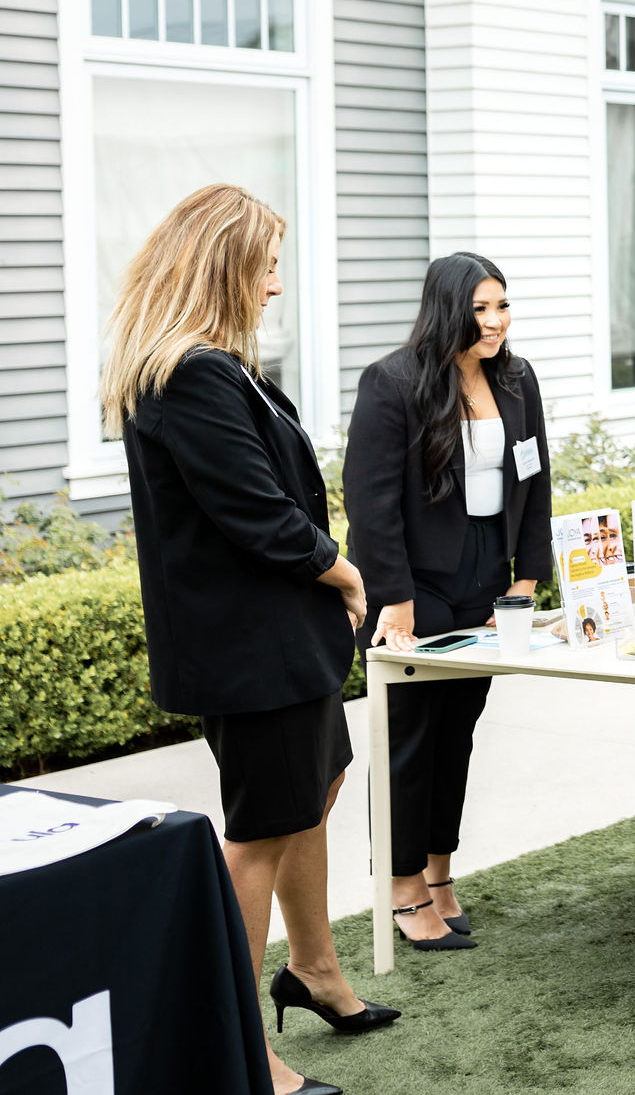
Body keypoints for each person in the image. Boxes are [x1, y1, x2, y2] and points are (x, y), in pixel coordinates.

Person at [107, 184, 396, 1095]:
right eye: (265, 266)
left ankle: (313, 969)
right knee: (263, 829)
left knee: (317, 785)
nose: (275, 284)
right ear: (222, 265)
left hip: (282, 641)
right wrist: (344, 572)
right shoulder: (189, 373)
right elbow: (257, 513)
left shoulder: (216, 366)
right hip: (251, 650)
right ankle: (240, 1051)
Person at [343, 252, 554, 950]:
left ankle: (438, 873)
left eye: (502, 306)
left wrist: (525, 581)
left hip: (485, 584)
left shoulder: (517, 379)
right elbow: (369, 502)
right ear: (448, 310)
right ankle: (402, 888)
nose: (495, 321)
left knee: (456, 732)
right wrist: (394, 599)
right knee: (410, 739)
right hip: (415, 587)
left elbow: (537, 483)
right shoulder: (392, 382)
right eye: (480, 309)